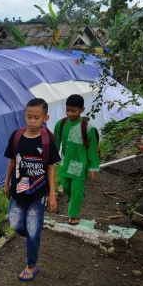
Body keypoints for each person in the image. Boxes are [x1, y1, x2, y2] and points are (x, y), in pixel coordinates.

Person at [4, 98, 61, 281]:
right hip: (18, 190)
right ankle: (29, 237)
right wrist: (7, 183)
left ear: (45, 117)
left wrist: (52, 194)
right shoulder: (17, 136)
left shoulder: (47, 141)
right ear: (24, 116)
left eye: (37, 117)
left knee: (33, 228)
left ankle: (31, 265)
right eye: (29, 117)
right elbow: (12, 161)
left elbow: (51, 168)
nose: (32, 121)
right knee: (14, 222)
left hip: (38, 193)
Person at [54, 94, 100, 225]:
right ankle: (78, 198)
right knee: (66, 187)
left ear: (82, 110)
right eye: (67, 110)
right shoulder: (61, 124)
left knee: (76, 189)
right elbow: (55, 143)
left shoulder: (88, 128)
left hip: (80, 165)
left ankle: (73, 215)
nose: (70, 113)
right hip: (66, 163)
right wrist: (49, 159)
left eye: (73, 111)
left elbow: (92, 150)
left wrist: (93, 168)